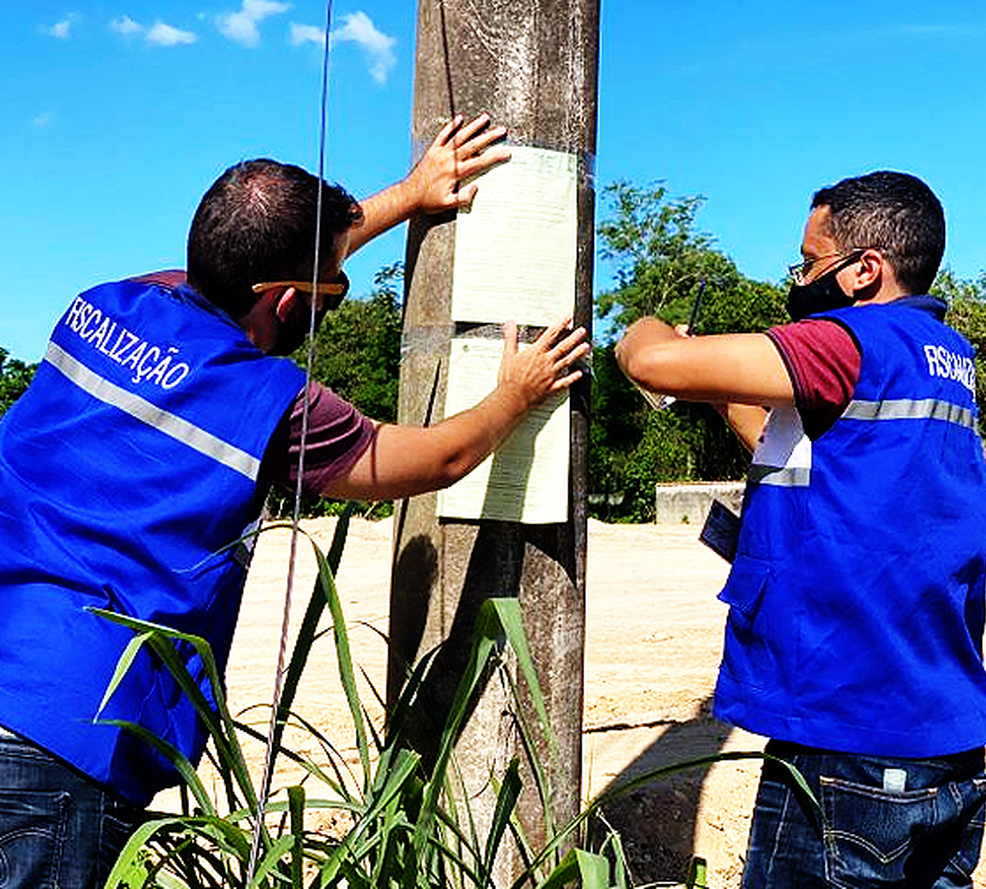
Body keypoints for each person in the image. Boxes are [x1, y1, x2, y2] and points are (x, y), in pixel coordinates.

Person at [0, 113, 589, 889]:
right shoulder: (267, 399)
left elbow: (254, 260)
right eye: (330, 297)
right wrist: (513, 395)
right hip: (66, 730)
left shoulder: (105, 305)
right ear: (285, 304)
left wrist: (411, 195)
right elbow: (436, 456)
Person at [615, 170, 986, 887]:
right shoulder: (941, 358)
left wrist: (646, 331)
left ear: (864, 270)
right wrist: (721, 389)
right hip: (941, 738)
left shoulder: (848, 341)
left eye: (809, 261)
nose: (798, 280)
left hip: (846, 741)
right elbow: (817, 458)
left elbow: (652, 359)